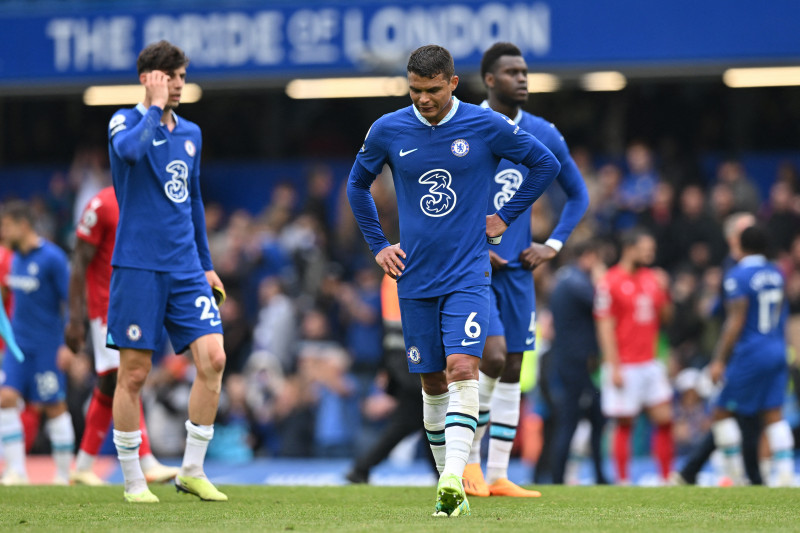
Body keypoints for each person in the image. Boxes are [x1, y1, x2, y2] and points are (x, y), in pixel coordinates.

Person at [347, 44, 560, 517]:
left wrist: (504, 216)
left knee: (463, 368)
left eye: (432, 90)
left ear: (453, 83)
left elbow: (545, 164)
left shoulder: (484, 125)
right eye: (415, 90)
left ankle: (452, 478)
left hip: (468, 273)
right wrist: (378, 244)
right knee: (431, 383)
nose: (423, 98)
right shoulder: (388, 129)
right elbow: (356, 185)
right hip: (414, 277)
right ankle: (452, 485)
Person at [463, 42, 589, 498]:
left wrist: (552, 245)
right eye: (512, 72)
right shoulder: (467, 126)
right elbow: (444, 198)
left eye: (524, 71)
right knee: (493, 357)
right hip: (473, 270)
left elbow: (578, 194)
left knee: (513, 367)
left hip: (518, 272)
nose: (522, 78)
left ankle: (498, 474)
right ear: (489, 80)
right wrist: (472, 245)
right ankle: (469, 465)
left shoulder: (542, 132)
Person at [106, 40, 227, 503]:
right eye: (171, 77)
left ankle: (191, 470)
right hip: (138, 265)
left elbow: (193, 200)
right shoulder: (124, 121)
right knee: (134, 373)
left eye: (182, 76)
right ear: (149, 78)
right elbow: (130, 153)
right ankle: (133, 480)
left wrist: (207, 265)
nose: (179, 84)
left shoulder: (191, 132)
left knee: (214, 358)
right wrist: (154, 108)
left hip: (185, 267)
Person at [65, 186, 178, 486]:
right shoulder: (102, 204)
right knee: (127, 376)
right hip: (107, 307)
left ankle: (83, 465)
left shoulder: (152, 197)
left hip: (138, 304)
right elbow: (79, 260)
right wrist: (75, 319)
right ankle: (146, 460)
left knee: (109, 384)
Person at [672, 211, 759, 485]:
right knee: (733, 411)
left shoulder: (740, 268)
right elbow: (727, 317)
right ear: (733, 237)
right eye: (748, 231)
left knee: (734, 411)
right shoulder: (735, 269)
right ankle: (741, 475)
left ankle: (694, 470)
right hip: (736, 352)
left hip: (746, 351)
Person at [707, 225, 795, 487]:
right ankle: (786, 476)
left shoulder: (738, 275)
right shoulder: (777, 273)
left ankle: (735, 476)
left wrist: (719, 359)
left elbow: (735, 321)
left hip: (751, 352)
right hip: (777, 348)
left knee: (721, 411)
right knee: (774, 414)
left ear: (740, 246)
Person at [0, 201, 74, 485]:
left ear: (23, 225)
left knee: (53, 405)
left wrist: (68, 344)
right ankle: (16, 471)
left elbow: (71, 300)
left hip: (47, 346)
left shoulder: (52, 258)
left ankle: (63, 475)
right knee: (6, 399)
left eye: (7, 226)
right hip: (18, 345)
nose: (3, 232)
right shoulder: (13, 258)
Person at [594, 228, 673, 484]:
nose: (650, 254)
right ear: (629, 249)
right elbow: (605, 327)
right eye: (645, 249)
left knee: (665, 419)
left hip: (650, 361)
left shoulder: (652, 278)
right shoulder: (610, 282)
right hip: (624, 364)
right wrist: (613, 366)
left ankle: (665, 478)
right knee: (624, 423)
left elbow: (666, 318)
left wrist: (665, 290)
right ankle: (623, 480)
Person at [547, 241, 608, 485]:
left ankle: (598, 475)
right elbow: (601, 303)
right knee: (571, 421)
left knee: (593, 418)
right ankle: (558, 477)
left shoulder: (564, 278)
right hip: (577, 363)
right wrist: (602, 280)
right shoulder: (576, 282)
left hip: (570, 359)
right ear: (588, 255)